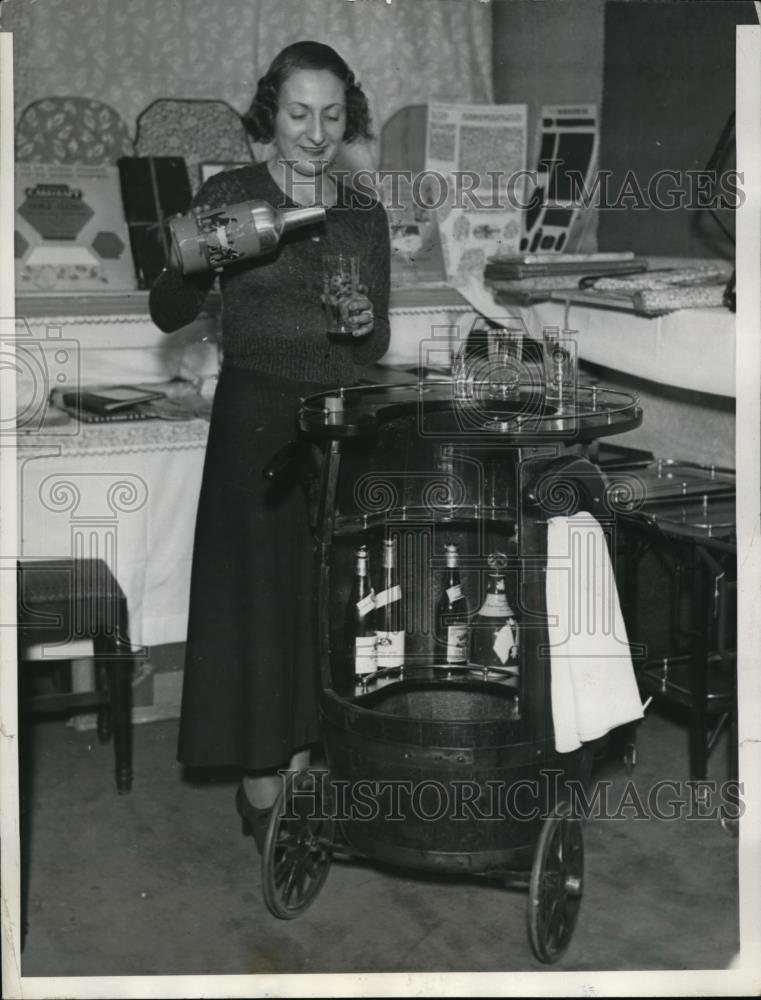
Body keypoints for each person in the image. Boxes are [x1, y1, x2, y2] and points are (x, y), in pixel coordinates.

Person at [149, 40, 390, 849]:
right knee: (256, 601)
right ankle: (260, 780)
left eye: (330, 114)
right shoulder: (234, 193)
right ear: (271, 113)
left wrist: (362, 326)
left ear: (346, 115)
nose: (315, 132)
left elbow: (372, 335)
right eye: (297, 114)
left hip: (337, 419)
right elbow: (165, 308)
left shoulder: (361, 210)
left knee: (324, 599)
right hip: (255, 416)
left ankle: (310, 765)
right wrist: (194, 251)